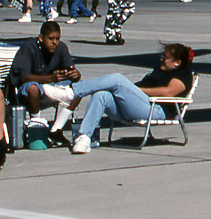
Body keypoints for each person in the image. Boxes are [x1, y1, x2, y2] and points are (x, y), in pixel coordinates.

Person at [47, 43, 194, 154]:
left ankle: (72, 93)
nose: (161, 60)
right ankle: (84, 137)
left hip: (156, 110)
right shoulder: (159, 71)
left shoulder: (183, 74)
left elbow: (168, 92)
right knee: (101, 95)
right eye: (161, 56)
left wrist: (135, 90)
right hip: (139, 107)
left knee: (117, 79)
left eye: (165, 58)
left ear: (177, 62)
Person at [10, 21, 80, 133]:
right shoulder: (29, 48)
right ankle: (36, 127)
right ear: (41, 38)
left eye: (57, 38)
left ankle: (56, 129)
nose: (54, 42)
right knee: (33, 88)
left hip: (51, 87)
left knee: (79, 89)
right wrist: (50, 78)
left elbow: (71, 70)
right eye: (51, 38)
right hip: (28, 91)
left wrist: (75, 75)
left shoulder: (61, 48)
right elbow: (24, 77)